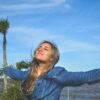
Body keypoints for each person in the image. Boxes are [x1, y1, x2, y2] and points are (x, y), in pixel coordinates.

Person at [4, 40, 100, 100]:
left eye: (45, 49)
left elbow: (86, 76)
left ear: (52, 57)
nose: (40, 49)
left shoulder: (59, 75)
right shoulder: (28, 74)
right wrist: (6, 68)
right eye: (39, 47)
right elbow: (15, 73)